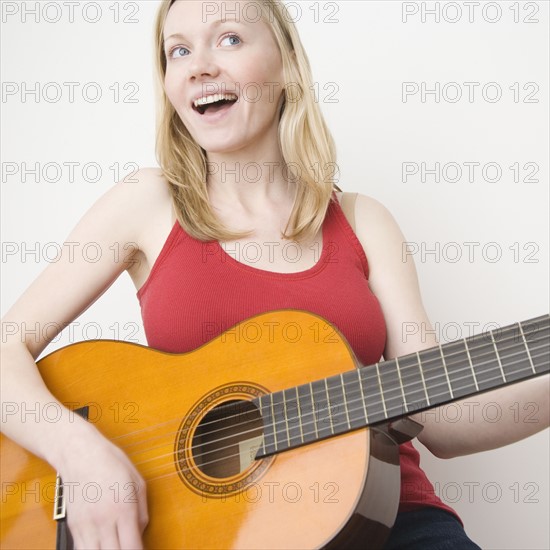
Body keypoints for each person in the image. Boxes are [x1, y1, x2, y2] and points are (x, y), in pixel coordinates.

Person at [1, 1, 548, 548]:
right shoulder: (144, 203)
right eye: (179, 50)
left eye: (230, 39)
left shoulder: (365, 221)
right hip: (213, 535)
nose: (199, 66)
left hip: (385, 519)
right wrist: (81, 454)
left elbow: (443, 418)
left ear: (287, 63)